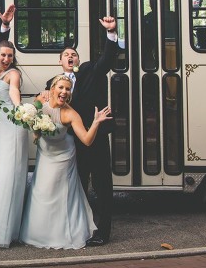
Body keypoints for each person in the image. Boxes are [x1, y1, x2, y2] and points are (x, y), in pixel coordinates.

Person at [44, 16, 119, 246]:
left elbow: (106, 61)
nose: (70, 56)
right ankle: (83, 228)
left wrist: (111, 33)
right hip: (69, 143)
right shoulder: (52, 83)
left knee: (102, 185)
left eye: (73, 54)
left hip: (94, 137)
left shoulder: (89, 71)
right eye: (66, 54)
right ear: (60, 61)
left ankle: (103, 232)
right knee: (78, 186)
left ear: (77, 60)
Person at [19, 75, 112, 249]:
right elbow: (30, 122)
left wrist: (96, 122)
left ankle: (63, 233)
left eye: (67, 89)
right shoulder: (40, 104)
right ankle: (39, 233)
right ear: (53, 88)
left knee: (59, 194)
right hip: (45, 154)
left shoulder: (71, 114)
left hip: (63, 156)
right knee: (41, 192)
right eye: (61, 88)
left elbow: (86, 140)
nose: (64, 92)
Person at [0, 40, 28, 248]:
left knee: (8, 173)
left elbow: (13, 93)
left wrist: (20, 110)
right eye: (3, 55)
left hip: (10, 123)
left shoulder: (13, 74)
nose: (7, 59)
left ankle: (6, 230)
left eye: (10, 56)